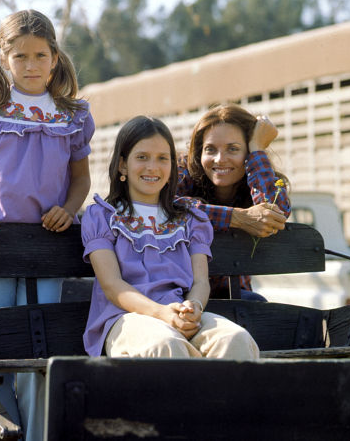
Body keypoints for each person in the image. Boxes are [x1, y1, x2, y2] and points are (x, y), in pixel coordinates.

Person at [0, 9, 95, 441]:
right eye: (20, 57)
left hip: (44, 246)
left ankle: (36, 434)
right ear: (2, 59)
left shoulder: (70, 114)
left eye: (39, 55)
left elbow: (81, 178)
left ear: (54, 57)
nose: (30, 65)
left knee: (38, 349)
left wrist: (69, 209)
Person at [81, 115, 259, 360]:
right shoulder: (103, 216)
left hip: (179, 312)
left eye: (162, 158)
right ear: (122, 165)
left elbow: (200, 282)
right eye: (142, 157)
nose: (153, 167)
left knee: (235, 340)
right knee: (164, 345)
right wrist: (161, 313)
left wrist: (193, 307)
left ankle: (221, 399)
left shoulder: (190, 219)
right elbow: (112, 286)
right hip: (125, 317)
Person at [177, 104, 290, 301]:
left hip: (233, 294)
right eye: (210, 149)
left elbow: (275, 212)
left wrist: (256, 149)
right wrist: (237, 218)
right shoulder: (182, 172)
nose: (220, 159)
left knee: (256, 304)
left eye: (233, 149)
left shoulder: (257, 174)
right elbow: (168, 206)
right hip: (178, 293)